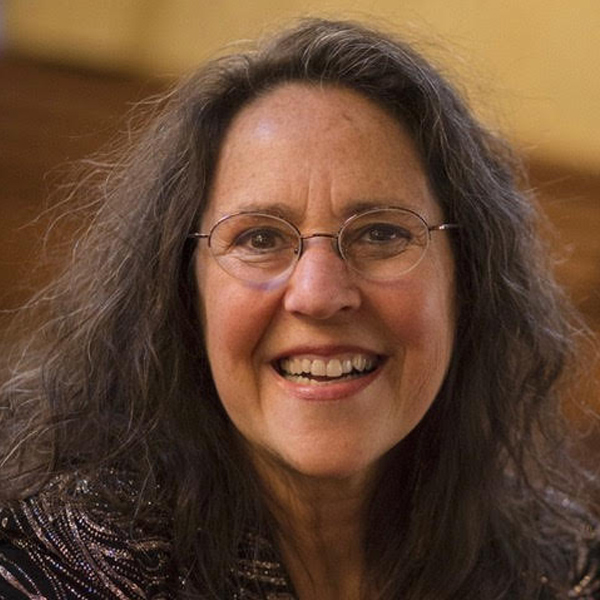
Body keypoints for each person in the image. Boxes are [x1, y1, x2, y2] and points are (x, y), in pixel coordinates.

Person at [0, 16, 598, 600]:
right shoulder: (57, 569)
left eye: (383, 234)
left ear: (465, 278)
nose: (317, 293)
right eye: (259, 238)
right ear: (183, 294)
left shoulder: (564, 570)